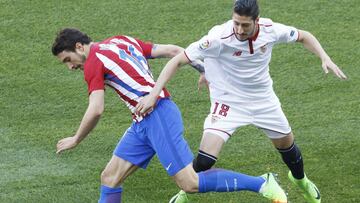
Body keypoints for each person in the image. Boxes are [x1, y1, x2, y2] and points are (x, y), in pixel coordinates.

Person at [135, 0, 347, 203]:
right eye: (236, 23)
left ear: (257, 20)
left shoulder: (270, 30)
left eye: (245, 25)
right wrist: (154, 94)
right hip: (228, 102)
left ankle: (301, 181)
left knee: (288, 148)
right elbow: (178, 59)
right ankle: (186, 191)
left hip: (263, 100)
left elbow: (303, 36)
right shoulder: (219, 37)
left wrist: (324, 57)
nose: (239, 29)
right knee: (205, 160)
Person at [52, 28, 289, 203]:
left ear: (80, 47)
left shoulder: (93, 62)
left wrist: (76, 139)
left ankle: (261, 183)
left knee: (190, 183)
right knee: (110, 177)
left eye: (68, 60)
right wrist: (203, 69)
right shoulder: (121, 41)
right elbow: (175, 51)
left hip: (158, 117)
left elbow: (96, 108)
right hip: (142, 122)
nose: (70, 67)